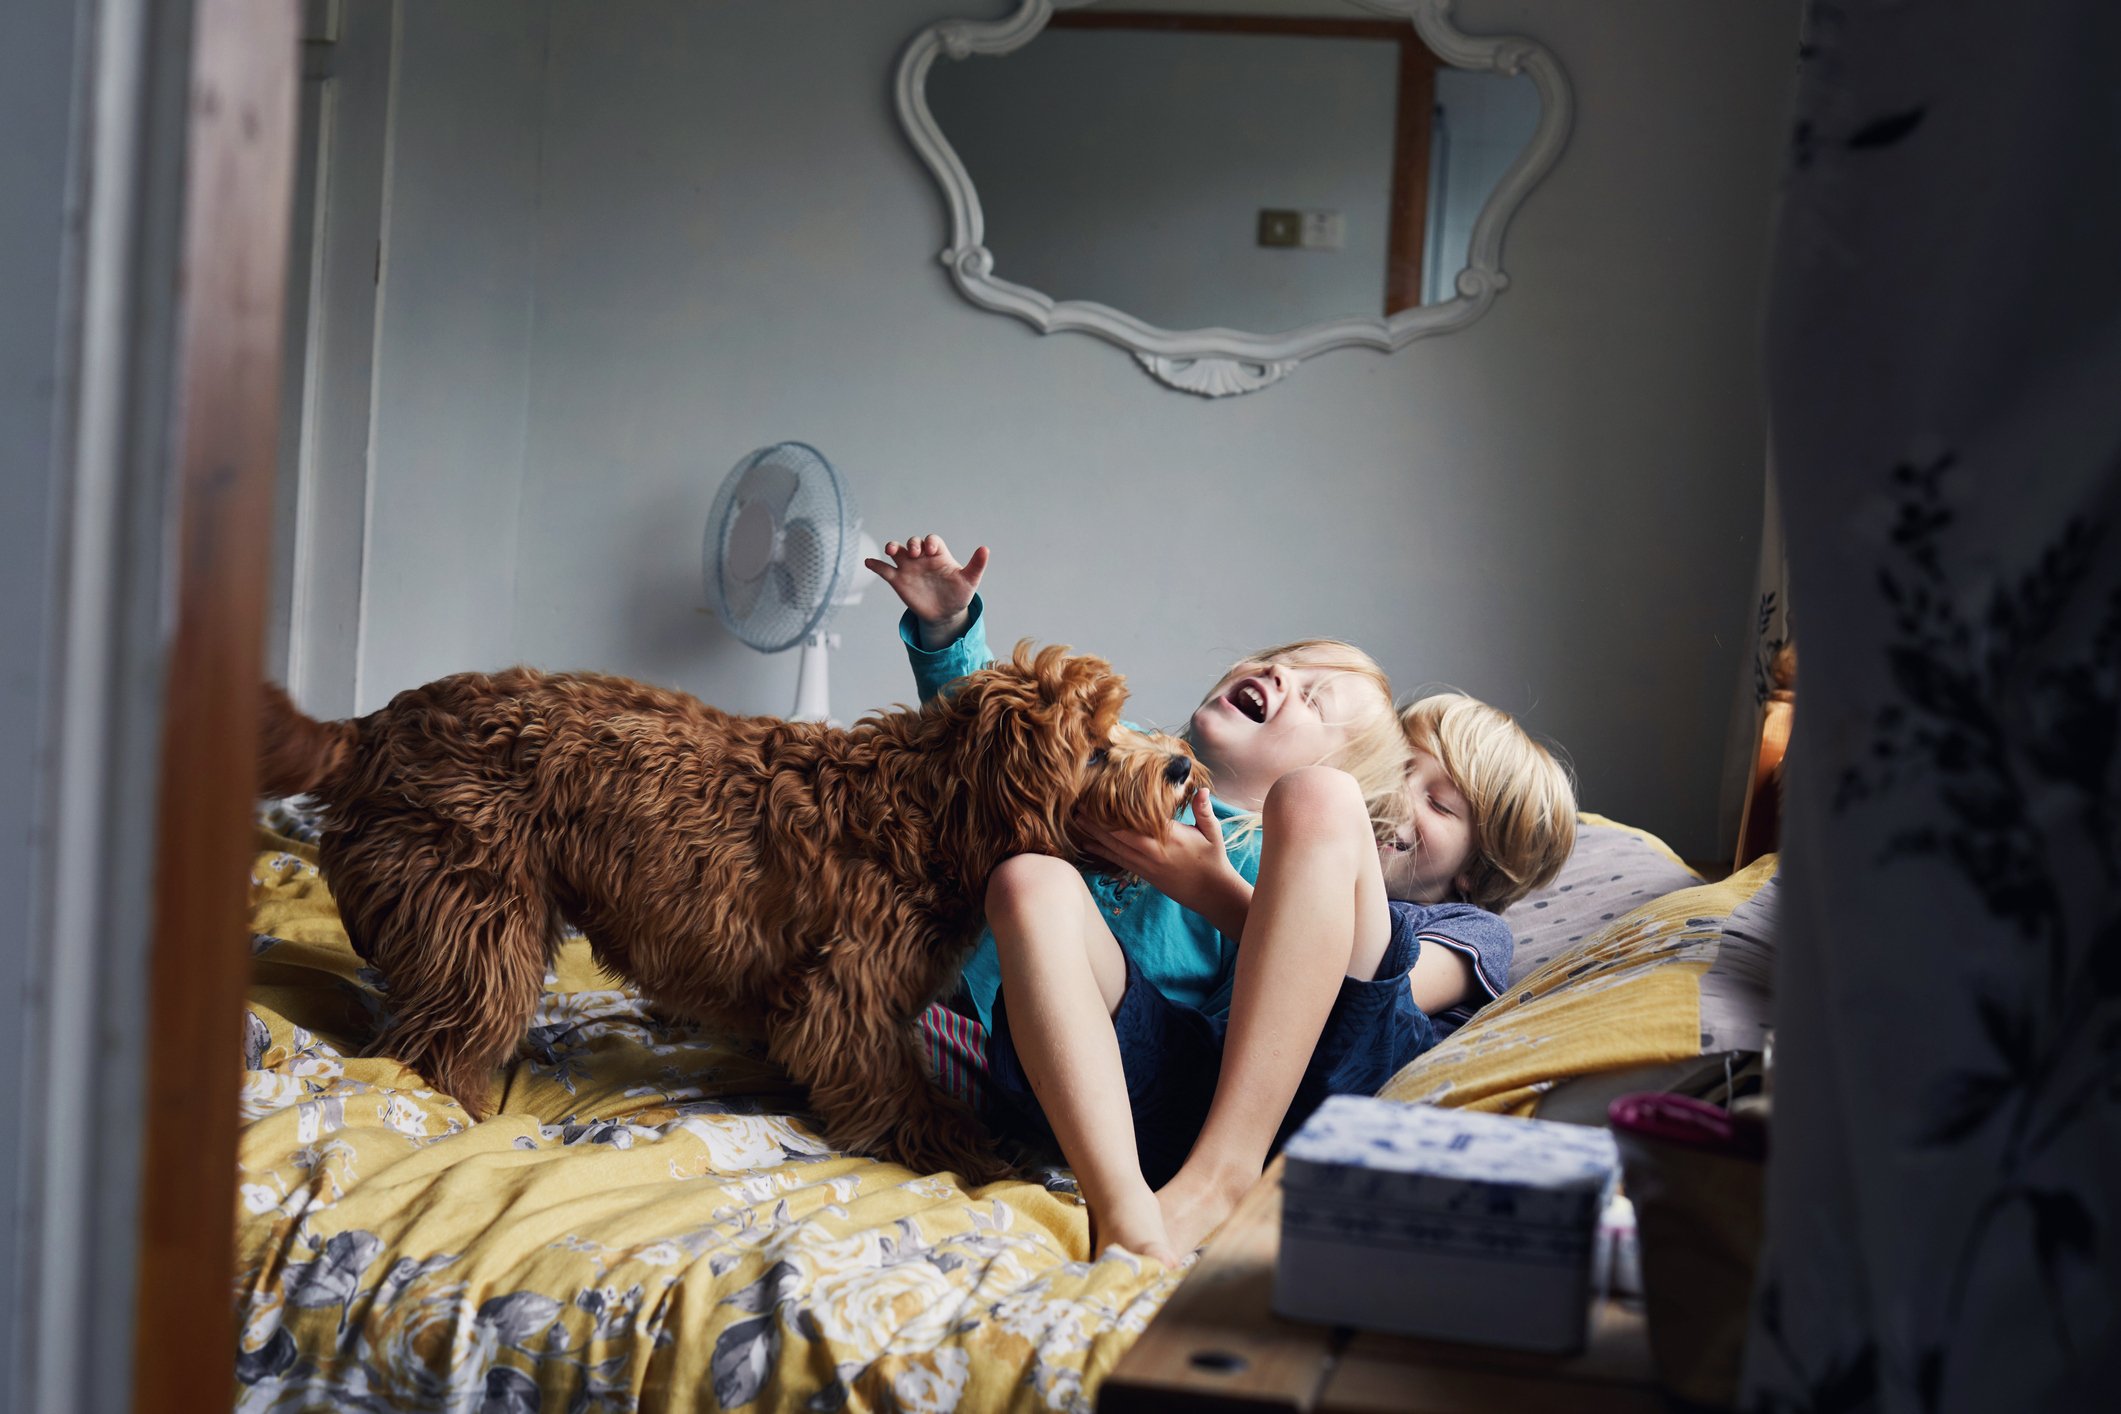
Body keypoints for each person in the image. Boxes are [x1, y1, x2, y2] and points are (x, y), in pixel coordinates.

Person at [868, 534, 1575, 1261]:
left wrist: (1210, 890)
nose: (1396, 807)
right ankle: (1127, 1213)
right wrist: (950, 636)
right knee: (1025, 880)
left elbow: (1345, 989)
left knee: (1315, 803)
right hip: (1115, 1071)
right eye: (1399, 778)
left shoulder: (1463, 926)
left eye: (1437, 802)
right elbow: (998, 747)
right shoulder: (1169, 776)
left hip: (1301, 1084)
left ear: (1475, 872)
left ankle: (1219, 1178)